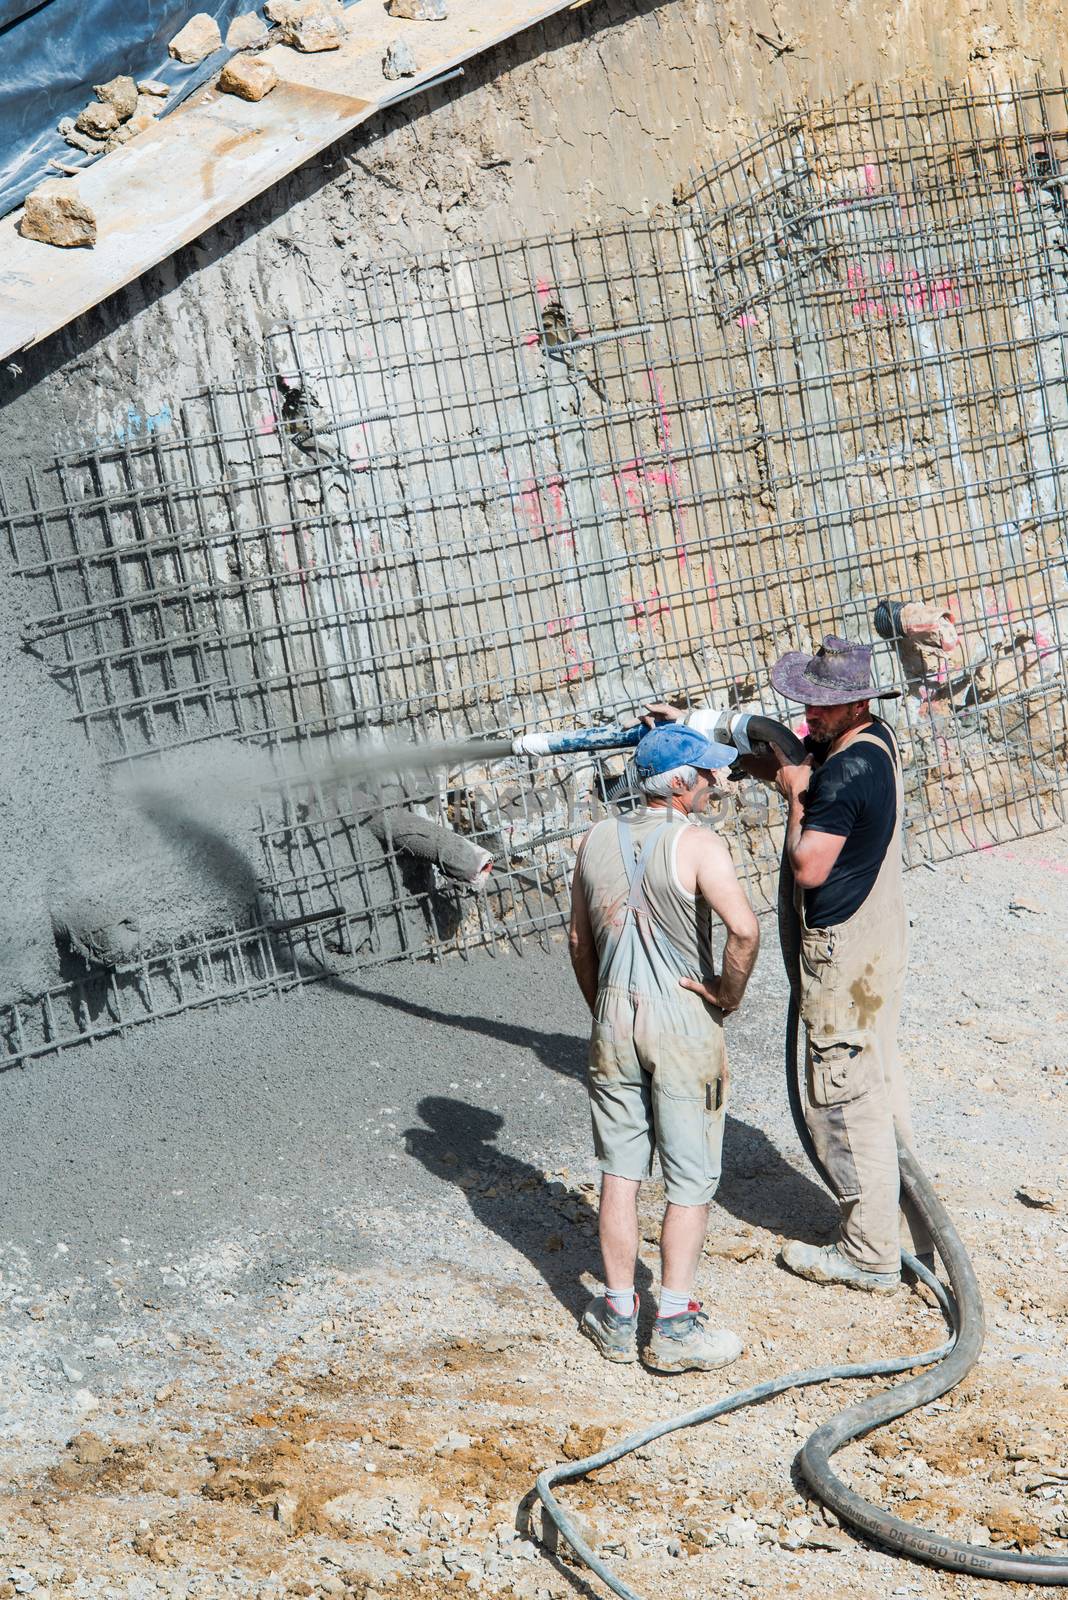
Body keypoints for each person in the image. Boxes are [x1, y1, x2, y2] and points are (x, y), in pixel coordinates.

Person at [568, 723, 760, 1372]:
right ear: (678, 785)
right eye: (706, 775)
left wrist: (605, 1003)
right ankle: (674, 1322)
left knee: (620, 1172)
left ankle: (618, 1314)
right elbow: (744, 930)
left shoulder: (593, 839)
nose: (716, 783)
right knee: (691, 1176)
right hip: (682, 1017)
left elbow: (577, 943)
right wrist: (725, 995)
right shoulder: (699, 844)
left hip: (614, 1016)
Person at [765, 635, 934, 1293]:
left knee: (841, 1092)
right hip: (880, 939)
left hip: (844, 951)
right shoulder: (876, 741)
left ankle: (869, 1253)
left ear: (858, 700)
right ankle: (905, 1224)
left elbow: (809, 865)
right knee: (878, 1077)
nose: (810, 713)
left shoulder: (839, 774)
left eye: (824, 706)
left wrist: (795, 794)